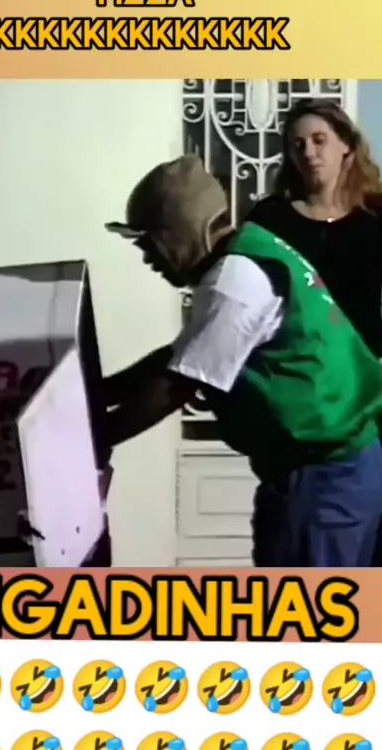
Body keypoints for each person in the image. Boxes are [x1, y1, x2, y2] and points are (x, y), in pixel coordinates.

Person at [104, 153, 382, 567]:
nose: (148, 259)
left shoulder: (235, 283)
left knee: (305, 606)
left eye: (149, 244)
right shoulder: (249, 254)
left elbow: (176, 386)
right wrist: (97, 391)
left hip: (322, 480)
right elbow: (178, 358)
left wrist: (91, 440)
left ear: (180, 233)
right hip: (342, 469)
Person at [245, 97, 382, 563]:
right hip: (304, 402)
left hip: (366, 397)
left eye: (320, 140)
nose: (309, 152)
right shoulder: (271, 221)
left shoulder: (374, 220)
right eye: (297, 144)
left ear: (347, 147)